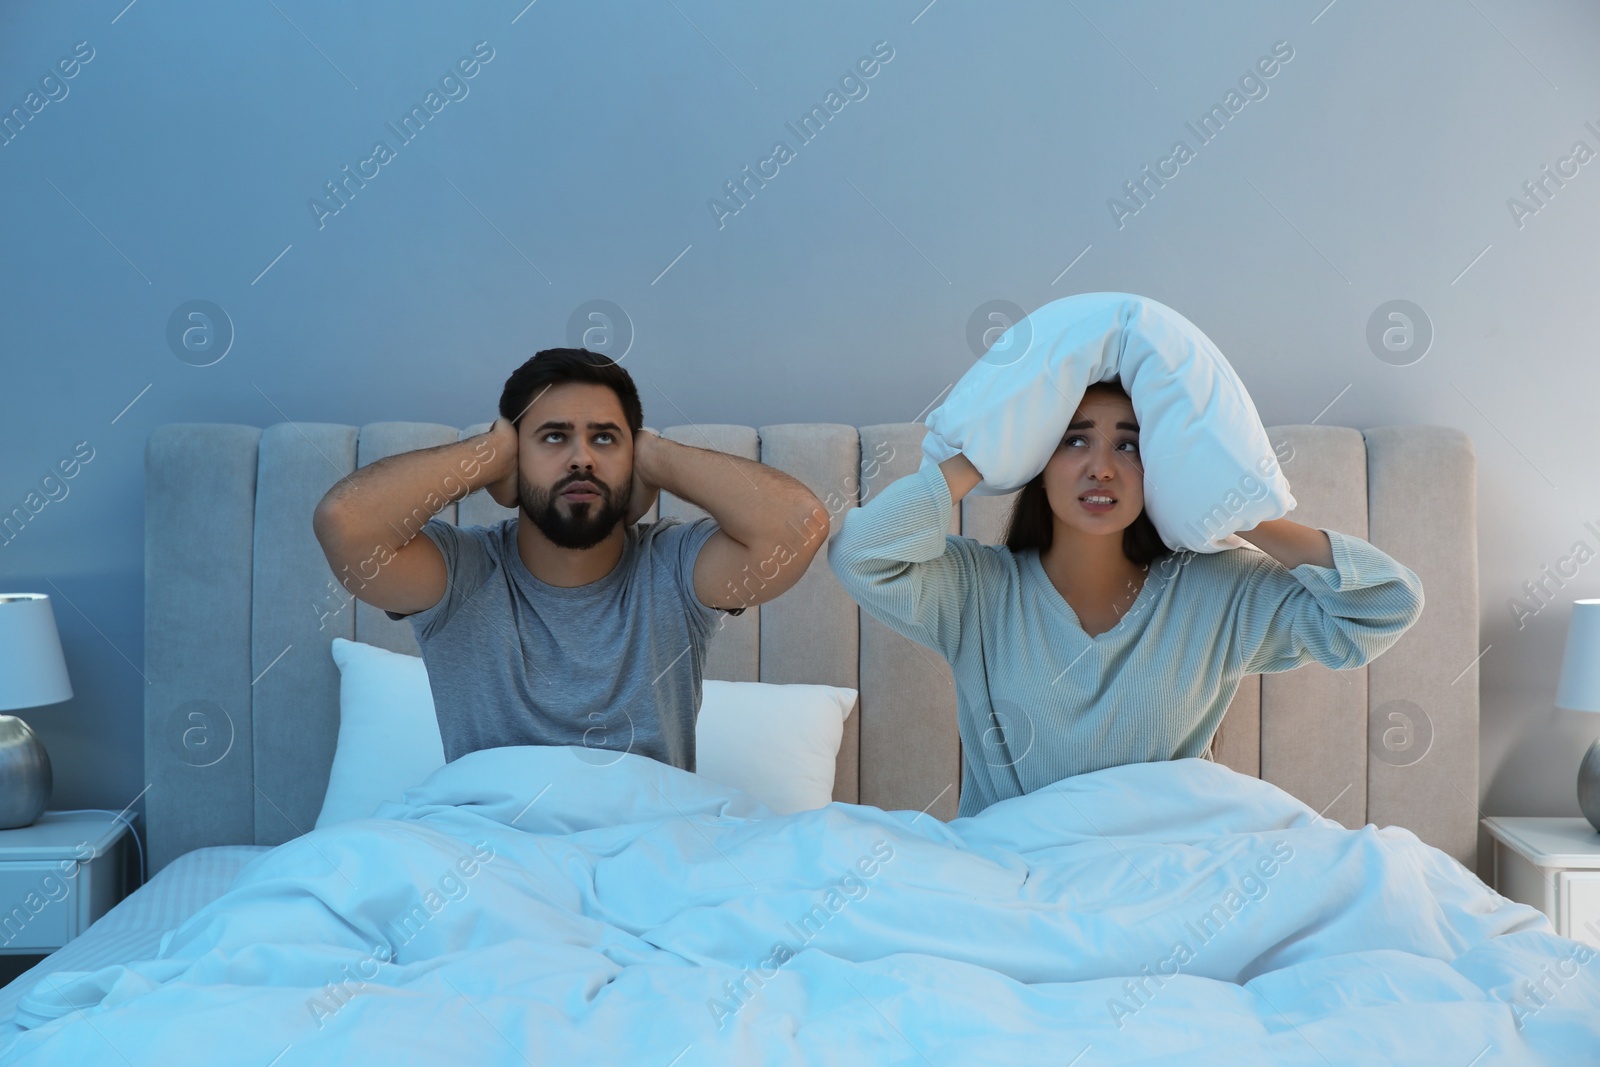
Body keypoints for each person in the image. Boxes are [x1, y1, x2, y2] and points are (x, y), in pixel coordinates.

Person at [827, 377, 1425, 816]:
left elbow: (1386, 604)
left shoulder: (1222, 589)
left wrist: (1234, 508)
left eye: (1131, 446)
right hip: (1010, 881)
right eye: (1073, 442)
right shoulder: (975, 590)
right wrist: (981, 456)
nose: (1102, 469)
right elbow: (860, 554)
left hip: (1171, 878)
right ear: (1037, 461)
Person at [313, 348, 830, 771]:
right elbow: (346, 523)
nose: (582, 457)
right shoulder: (459, 574)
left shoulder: (674, 568)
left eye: (605, 438)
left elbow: (797, 526)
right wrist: (488, 455)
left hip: (650, 846)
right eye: (553, 437)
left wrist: (653, 456)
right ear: (516, 457)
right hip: (489, 849)